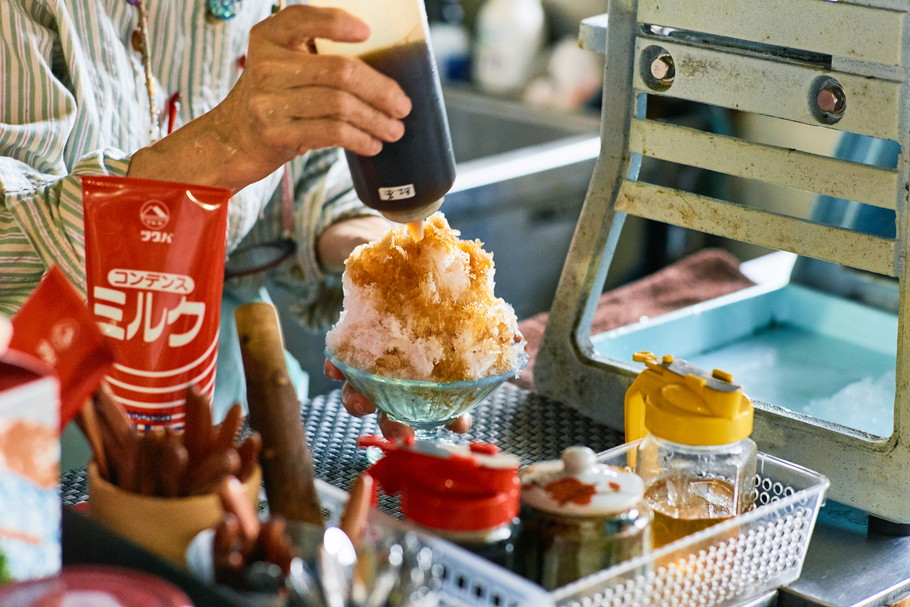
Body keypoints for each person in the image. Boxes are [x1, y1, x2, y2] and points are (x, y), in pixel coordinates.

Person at [0, 0, 470, 439]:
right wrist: (226, 142)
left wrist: (375, 269)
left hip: (227, 405)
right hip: (40, 419)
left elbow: (299, 175)